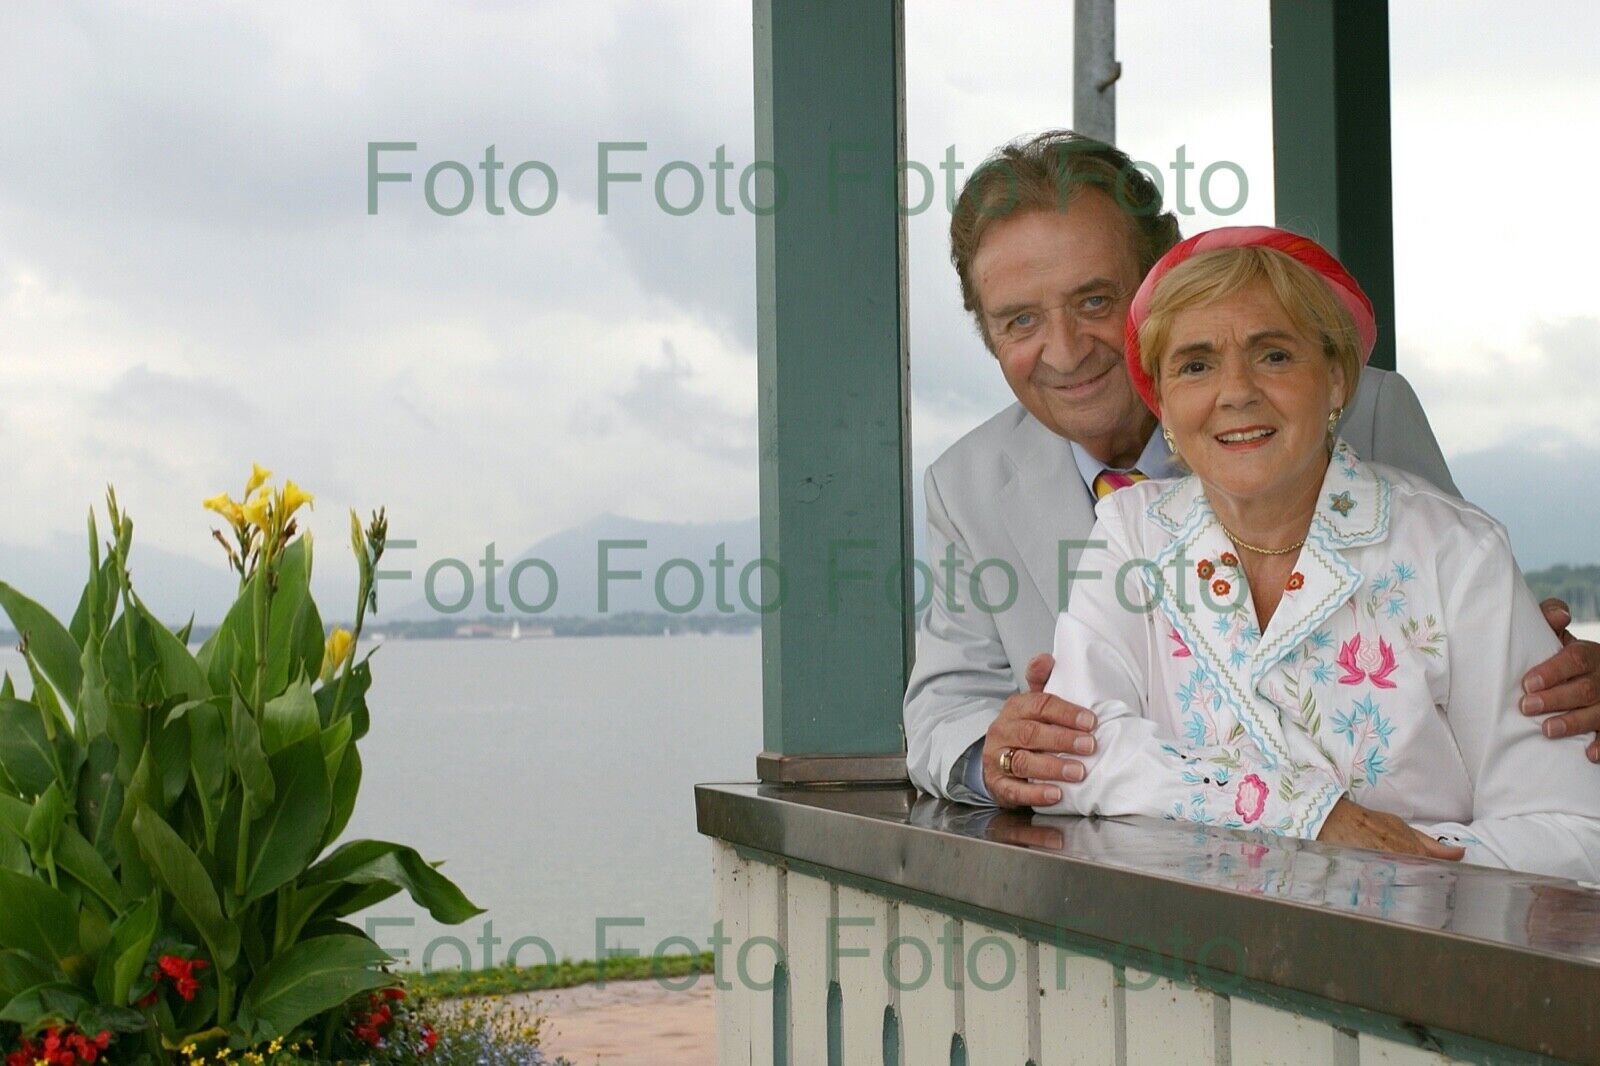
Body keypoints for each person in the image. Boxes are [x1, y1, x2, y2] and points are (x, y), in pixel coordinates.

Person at [903, 131, 1600, 818]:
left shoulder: (1370, 409)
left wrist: (1551, 685)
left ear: (1161, 276)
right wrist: (997, 758)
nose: (1063, 351)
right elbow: (943, 708)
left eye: (1094, 302)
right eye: (1020, 321)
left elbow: (1467, 629)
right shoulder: (966, 483)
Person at [1030, 225, 1600, 881]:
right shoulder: (1133, 532)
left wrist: (1384, 862)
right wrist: (1313, 819)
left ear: (1335, 379)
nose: (1236, 391)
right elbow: (1074, 762)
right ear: (1162, 402)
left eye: (1273, 355)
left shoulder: (1456, 553)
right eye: (1196, 364)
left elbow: (1574, 833)